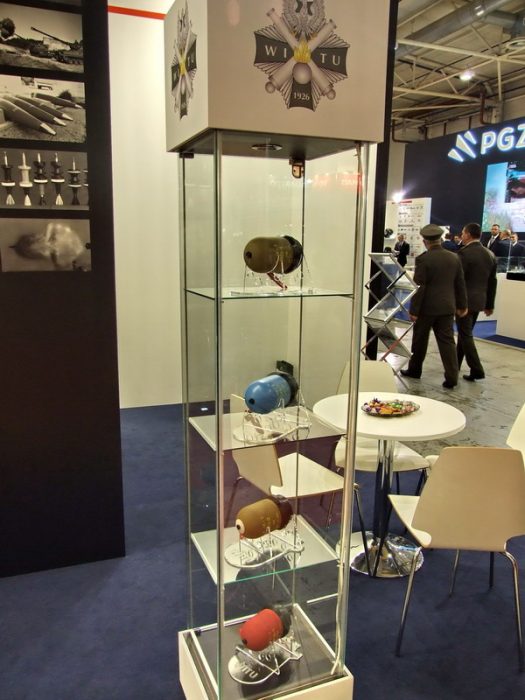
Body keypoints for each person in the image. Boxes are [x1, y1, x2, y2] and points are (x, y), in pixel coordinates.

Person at [400, 224, 468, 389]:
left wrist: (414, 310)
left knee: (419, 341)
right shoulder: (454, 257)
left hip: (426, 309)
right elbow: (460, 283)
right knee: (447, 342)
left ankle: (415, 370)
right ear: (440, 240)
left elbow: (420, 287)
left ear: (425, 242)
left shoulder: (424, 259)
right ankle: (452, 377)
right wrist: (462, 305)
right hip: (447, 307)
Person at [456, 222, 497, 382]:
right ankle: (455, 365)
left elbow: (459, 281)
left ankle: (477, 369)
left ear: (467, 234)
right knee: (464, 334)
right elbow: (492, 282)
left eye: (463, 233)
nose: (461, 235)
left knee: (465, 335)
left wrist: (458, 302)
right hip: (479, 301)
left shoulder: (464, 253)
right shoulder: (489, 254)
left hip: (465, 302)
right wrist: (489, 304)